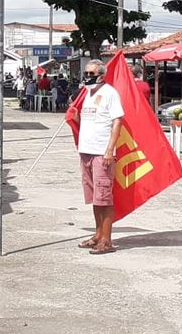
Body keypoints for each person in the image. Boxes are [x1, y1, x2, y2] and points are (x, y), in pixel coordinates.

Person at [68, 59, 124, 255]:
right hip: (86, 151)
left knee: (104, 197)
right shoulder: (87, 94)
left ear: (101, 74)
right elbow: (88, 120)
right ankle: (98, 234)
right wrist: (74, 117)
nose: (88, 76)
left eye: (91, 73)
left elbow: (117, 121)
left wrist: (110, 149)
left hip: (102, 152)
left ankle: (107, 240)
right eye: (86, 73)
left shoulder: (110, 93)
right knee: (94, 197)